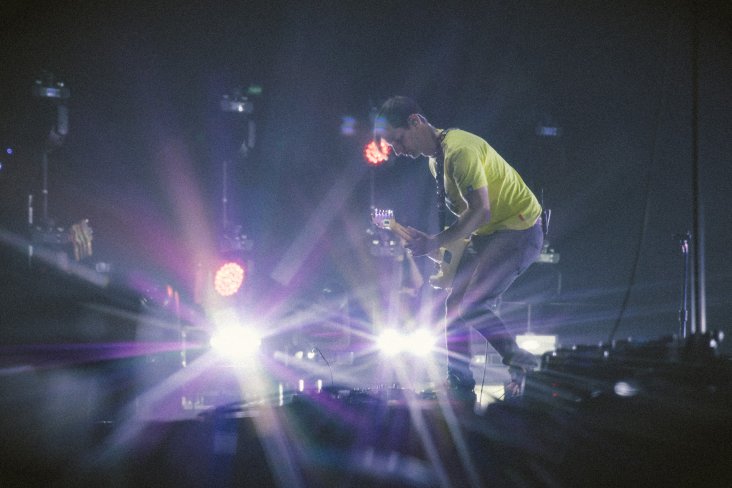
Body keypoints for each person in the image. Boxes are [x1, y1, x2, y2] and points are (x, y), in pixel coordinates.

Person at [373, 96, 544, 405]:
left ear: (415, 122)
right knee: (453, 308)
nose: (397, 150)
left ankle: (520, 360)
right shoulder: (435, 161)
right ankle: (460, 386)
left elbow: (481, 212)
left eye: (398, 140)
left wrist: (434, 242)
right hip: (491, 233)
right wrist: (433, 243)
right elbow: (469, 220)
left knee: (473, 303)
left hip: (519, 230)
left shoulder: (459, 151)